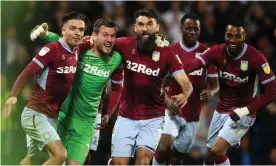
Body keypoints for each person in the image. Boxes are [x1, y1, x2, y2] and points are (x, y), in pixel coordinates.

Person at [185, 18, 276, 165]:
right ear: (224, 36)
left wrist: (246, 110)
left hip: (244, 113)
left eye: (237, 36)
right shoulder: (217, 51)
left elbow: (272, 92)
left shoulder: (256, 57)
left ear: (244, 37)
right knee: (209, 157)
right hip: (221, 109)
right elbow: (195, 64)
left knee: (217, 151)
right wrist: (173, 71)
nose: (232, 40)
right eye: (229, 35)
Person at [2, 11, 89, 165]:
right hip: (36, 115)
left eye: (81, 30)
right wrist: (12, 95)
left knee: (32, 159)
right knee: (60, 155)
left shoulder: (77, 50)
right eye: (73, 28)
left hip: (51, 117)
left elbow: (91, 41)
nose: (77, 33)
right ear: (63, 31)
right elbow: (28, 71)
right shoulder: (51, 50)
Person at [108, 8, 193, 165]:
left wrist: (184, 95)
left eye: (149, 24)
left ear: (157, 27)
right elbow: (102, 42)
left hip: (153, 118)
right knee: (119, 163)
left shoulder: (167, 53)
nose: (144, 28)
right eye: (140, 24)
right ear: (135, 27)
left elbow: (187, 84)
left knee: (144, 161)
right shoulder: (124, 44)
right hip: (126, 116)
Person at [152, 13, 219, 165]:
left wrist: (212, 92)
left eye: (196, 29)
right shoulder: (171, 51)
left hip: (193, 114)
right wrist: (167, 101)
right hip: (172, 110)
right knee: (163, 148)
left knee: (178, 153)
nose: (193, 32)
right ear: (181, 28)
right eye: (189, 28)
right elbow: (157, 82)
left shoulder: (207, 54)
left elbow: (215, 85)